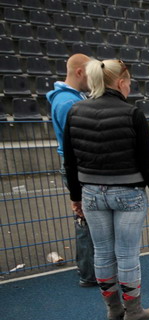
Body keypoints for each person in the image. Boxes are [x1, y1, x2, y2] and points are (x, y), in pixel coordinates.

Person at [62, 59, 149, 320]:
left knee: (103, 254)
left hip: (91, 194)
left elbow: (70, 162)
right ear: (121, 83)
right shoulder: (133, 114)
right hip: (129, 194)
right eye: (129, 83)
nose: (130, 88)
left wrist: (75, 197)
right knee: (127, 254)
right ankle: (134, 312)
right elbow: (148, 162)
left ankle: (113, 310)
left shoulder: (75, 111)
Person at [46, 53, 96, 287]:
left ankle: (91, 269)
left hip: (76, 167)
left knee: (87, 219)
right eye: (89, 74)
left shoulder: (71, 98)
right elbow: (78, 142)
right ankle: (89, 273)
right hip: (78, 168)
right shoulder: (68, 102)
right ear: (79, 72)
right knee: (86, 221)